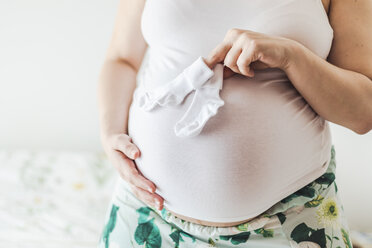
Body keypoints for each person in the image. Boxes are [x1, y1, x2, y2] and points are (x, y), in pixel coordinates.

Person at [97, 0, 372, 247]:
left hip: (289, 224)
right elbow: (121, 58)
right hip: (148, 214)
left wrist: (292, 57)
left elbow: (363, 112)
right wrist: (110, 134)